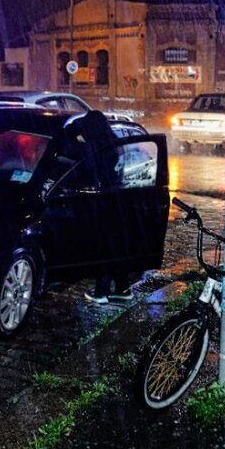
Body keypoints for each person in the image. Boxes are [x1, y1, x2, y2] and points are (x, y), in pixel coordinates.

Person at [61, 111, 136, 305]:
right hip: (119, 200)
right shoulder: (114, 144)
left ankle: (101, 291)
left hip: (103, 202)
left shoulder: (93, 148)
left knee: (103, 248)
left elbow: (68, 137)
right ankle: (122, 288)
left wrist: (75, 126)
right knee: (116, 247)